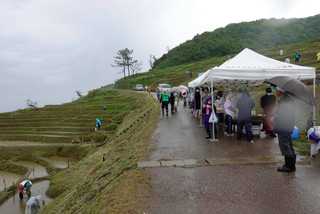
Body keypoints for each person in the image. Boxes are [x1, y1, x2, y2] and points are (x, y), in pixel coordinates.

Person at [273, 88, 296, 172]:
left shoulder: (284, 102)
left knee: (285, 146)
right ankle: (290, 165)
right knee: (288, 145)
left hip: (283, 126)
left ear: (281, 92)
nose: (275, 92)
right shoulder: (288, 100)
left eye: (276, 90)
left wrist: (276, 116)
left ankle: (289, 166)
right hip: (287, 126)